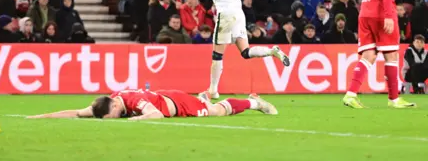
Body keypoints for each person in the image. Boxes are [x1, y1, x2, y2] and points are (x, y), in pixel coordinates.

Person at [189, 0, 290, 99]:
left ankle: (213, 90)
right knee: (245, 52)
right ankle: (271, 51)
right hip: (238, 12)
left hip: (226, 14)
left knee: (217, 55)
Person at [28, 89, 277, 120]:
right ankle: (204, 95)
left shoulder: (135, 101)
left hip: (178, 103)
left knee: (215, 112)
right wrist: (40, 116)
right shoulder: (106, 103)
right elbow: (75, 112)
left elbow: (156, 114)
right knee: (209, 106)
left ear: (115, 107)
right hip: (167, 100)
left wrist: (135, 120)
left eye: (112, 118)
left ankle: (253, 102)